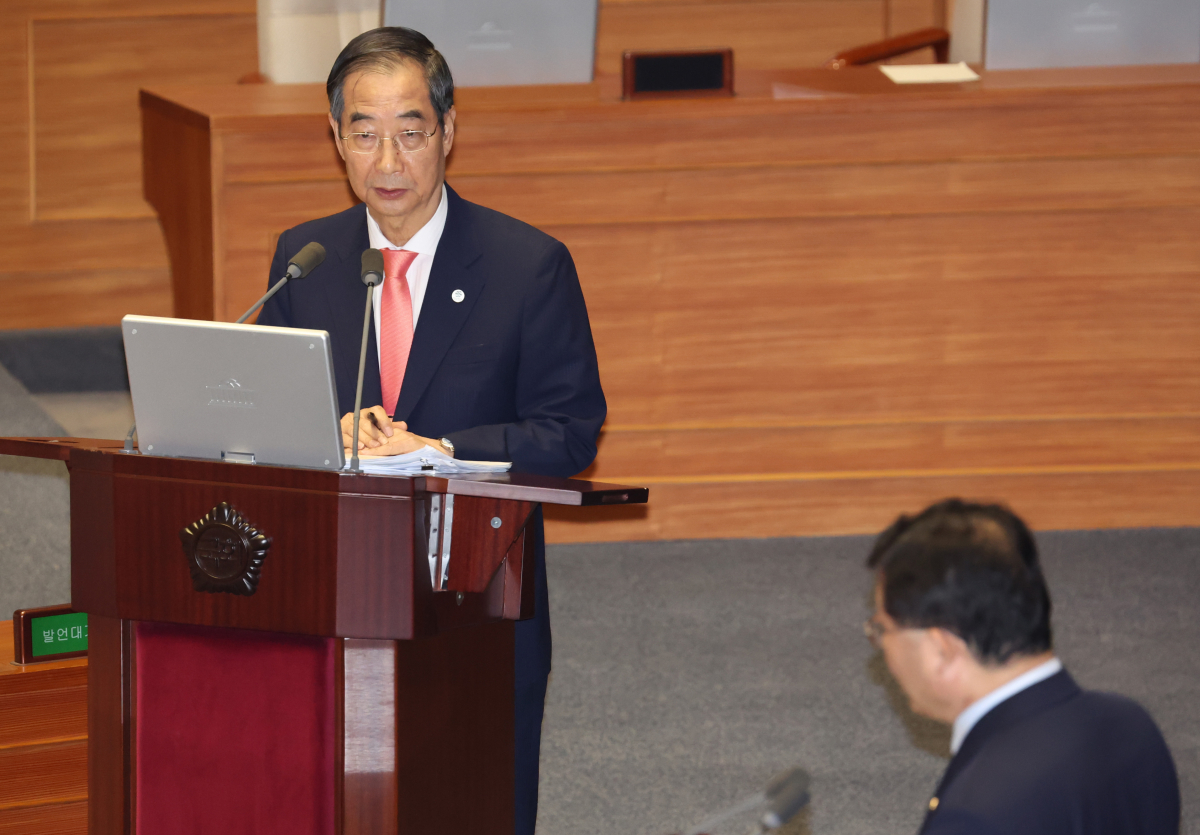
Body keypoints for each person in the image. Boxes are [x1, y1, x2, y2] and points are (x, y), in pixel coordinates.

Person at [256, 27, 606, 834]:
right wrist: (326, 426)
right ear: (336, 138)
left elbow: (572, 430)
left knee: (474, 801)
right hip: (334, 591)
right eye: (365, 132)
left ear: (449, 132)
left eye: (410, 132)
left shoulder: (528, 265)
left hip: (478, 597)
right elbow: (272, 415)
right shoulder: (304, 260)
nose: (388, 161)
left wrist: (440, 451)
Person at [863, 499, 1179, 835]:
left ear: (941, 649)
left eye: (883, 629)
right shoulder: (1131, 724)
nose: (881, 646)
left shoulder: (975, 816)